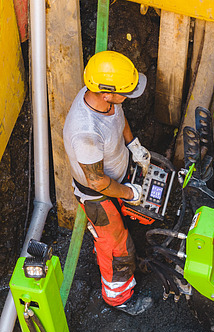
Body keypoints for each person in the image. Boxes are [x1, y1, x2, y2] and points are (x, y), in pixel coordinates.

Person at [63, 50, 153, 316]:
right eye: (125, 92)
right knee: (117, 247)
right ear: (106, 93)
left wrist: (133, 144)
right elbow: (98, 181)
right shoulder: (86, 133)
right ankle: (119, 297)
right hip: (97, 196)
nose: (128, 96)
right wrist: (128, 192)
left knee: (125, 229)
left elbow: (118, 116)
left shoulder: (105, 97)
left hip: (118, 172)